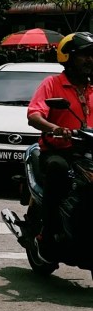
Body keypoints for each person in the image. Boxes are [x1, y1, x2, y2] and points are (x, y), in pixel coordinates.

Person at [26, 30, 93, 261]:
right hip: (59, 150)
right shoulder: (52, 84)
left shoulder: (92, 89)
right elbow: (34, 115)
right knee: (58, 170)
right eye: (83, 55)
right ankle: (49, 233)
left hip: (88, 153)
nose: (89, 60)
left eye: (92, 55)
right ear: (68, 57)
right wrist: (55, 128)